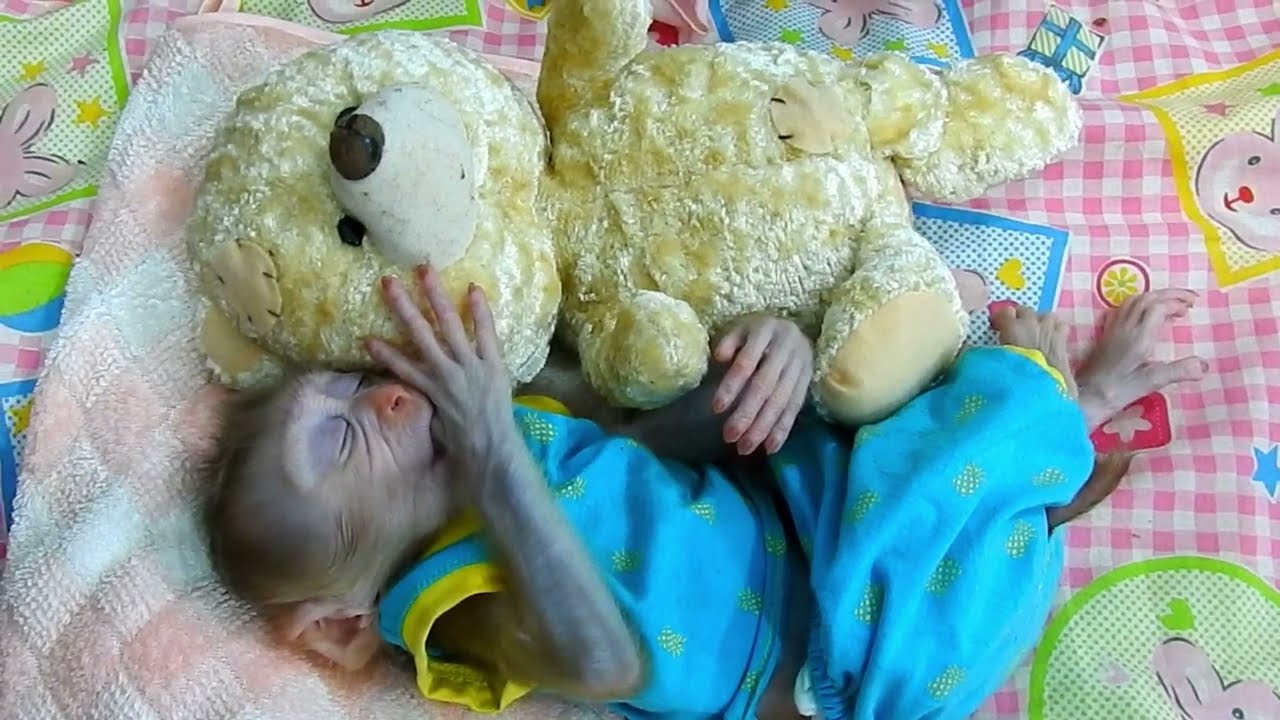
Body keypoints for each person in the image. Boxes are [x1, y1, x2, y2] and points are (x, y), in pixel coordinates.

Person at [204, 265, 1205, 720]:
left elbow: (636, 452)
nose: (381, 398)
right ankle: (1071, 405)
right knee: (938, 490)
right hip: (844, 665)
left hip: (799, 523)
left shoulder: (496, 435)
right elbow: (604, 662)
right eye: (338, 440)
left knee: (861, 407)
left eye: (345, 386)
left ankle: (1037, 452)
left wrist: (758, 380)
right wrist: (488, 449)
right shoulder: (441, 602)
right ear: (337, 615)